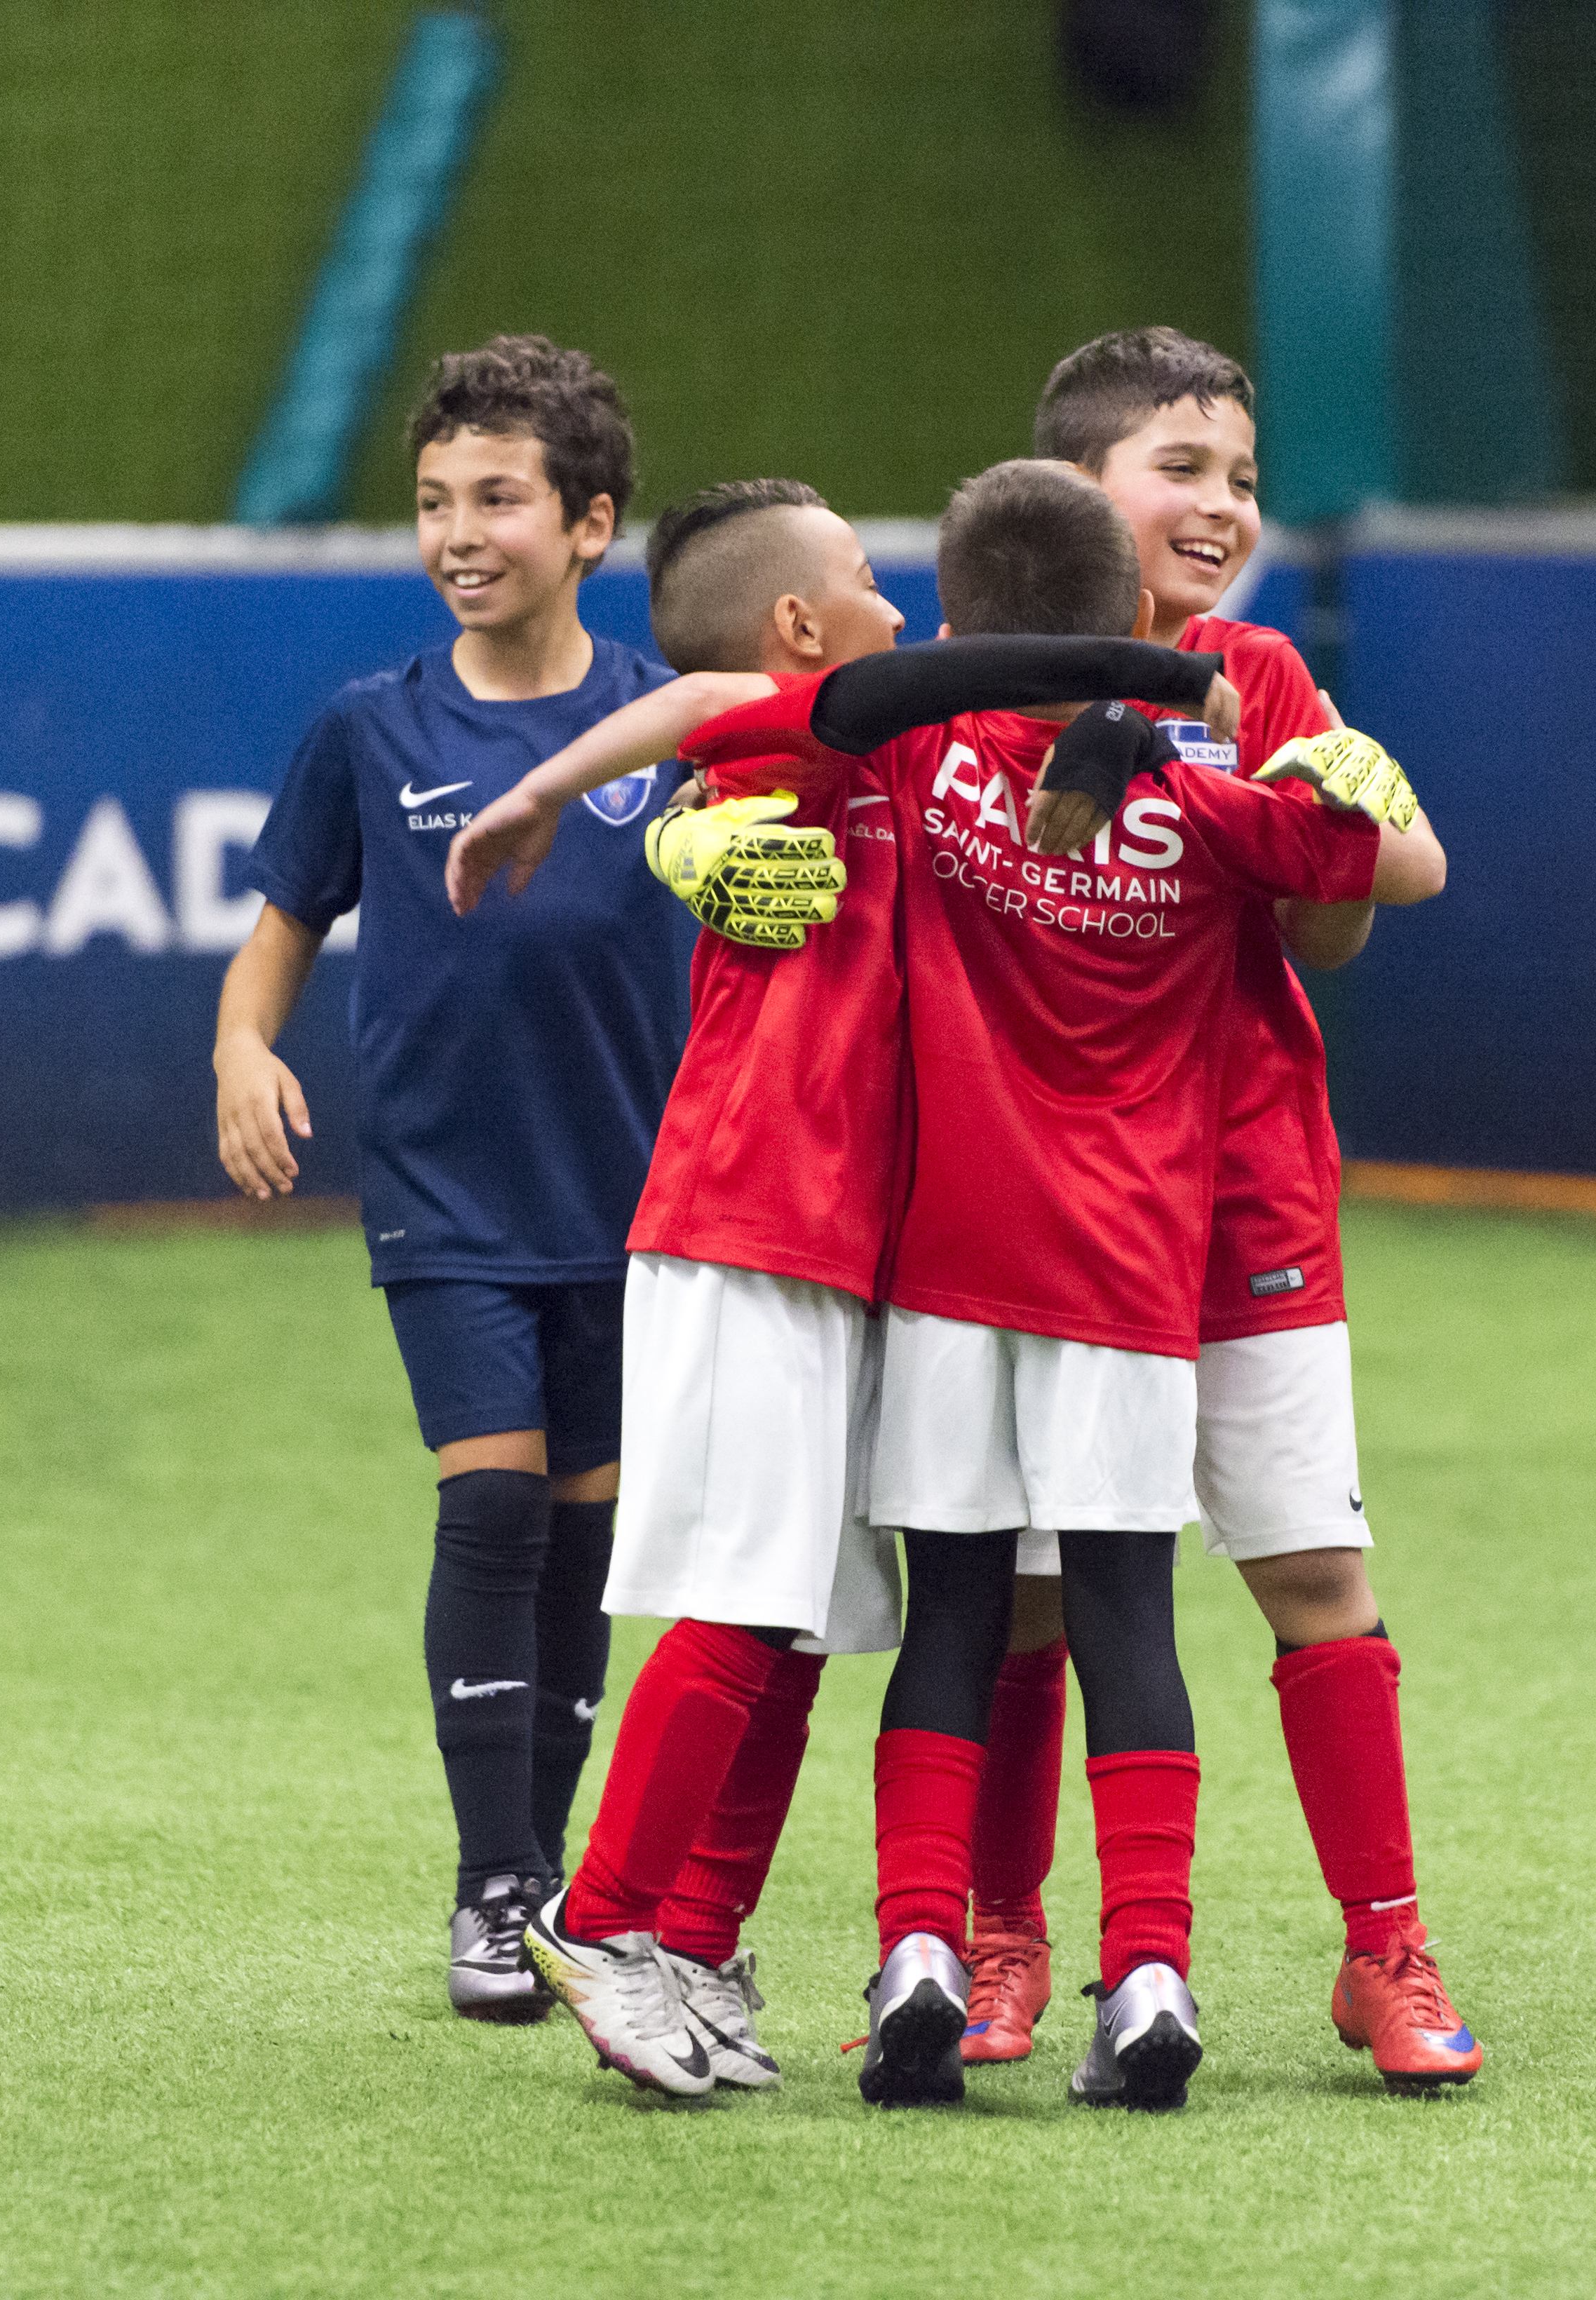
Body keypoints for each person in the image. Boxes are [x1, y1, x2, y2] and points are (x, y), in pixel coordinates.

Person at [445, 480, 1240, 2096]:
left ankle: (698, 1940)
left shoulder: (869, 758)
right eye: (868, 579)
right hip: (755, 1228)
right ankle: (601, 1918)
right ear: (800, 632)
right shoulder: (815, 731)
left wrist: (1125, 726)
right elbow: (734, 696)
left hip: (847, 1256)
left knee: (798, 1623)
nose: (896, 602)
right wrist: (1153, 667)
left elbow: (716, 699)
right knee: (745, 1600)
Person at [827, 462, 1447, 2112]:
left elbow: (829, 703)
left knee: (957, 1614)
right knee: (1128, 1620)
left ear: (961, 618)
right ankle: (1153, 1964)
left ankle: (921, 1949)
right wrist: (1175, 705)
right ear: (1126, 610)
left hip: (955, 1268)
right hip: (1130, 1282)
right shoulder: (1203, 802)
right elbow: (1367, 852)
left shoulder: (928, 759)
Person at [207, 334, 682, 2025]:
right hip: (444, 1191)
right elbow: (279, 929)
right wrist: (241, 1050)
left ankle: (550, 1881)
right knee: (489, 1501)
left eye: (498, 497)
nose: (458, 530)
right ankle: (491, 1890)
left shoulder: (665, 719)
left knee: (583, 1538)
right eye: (432, 502)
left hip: (633, 1206)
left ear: (590, 523)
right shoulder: (367, 727)